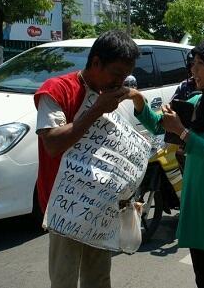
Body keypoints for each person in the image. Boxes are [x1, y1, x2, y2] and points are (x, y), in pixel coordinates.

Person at [127, 39, 204, 288]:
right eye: (192, 64)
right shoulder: (196, 102)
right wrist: (140, 103)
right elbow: (160, 126)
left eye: (200, 64)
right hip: (196, 202)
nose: (193, 71)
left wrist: (183, 132)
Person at [34, 30, 139, 288]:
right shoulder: (57, 90)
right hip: (65, 206)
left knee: (99, 278)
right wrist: (96, 110)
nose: (120, 82)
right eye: (115, 74)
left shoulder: (116, 96)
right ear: (95, 63)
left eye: (124, 76)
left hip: (102, 206)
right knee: (64, 279)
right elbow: (52, 143)